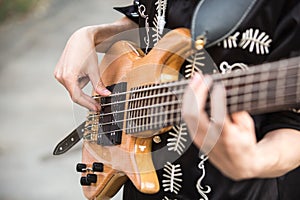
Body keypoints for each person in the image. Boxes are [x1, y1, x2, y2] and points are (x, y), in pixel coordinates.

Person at [54, 0, 300, 199]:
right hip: (144, 185)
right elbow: (148, 20)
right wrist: (91, 35)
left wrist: (255, 161)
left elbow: (293, 123)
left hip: (238, 190)